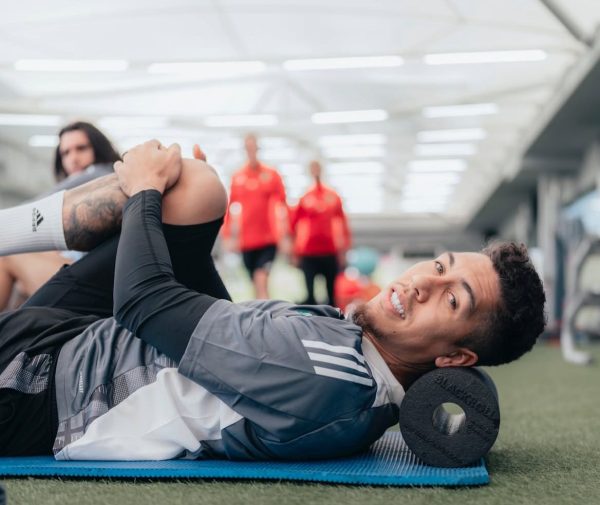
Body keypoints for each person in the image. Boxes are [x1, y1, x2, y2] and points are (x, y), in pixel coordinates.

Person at [0, 140, 546, 461]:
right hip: (80, 345)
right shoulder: (357, 357)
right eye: (439, 265)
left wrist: (143, 189)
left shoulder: (333, 372)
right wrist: (193, 242)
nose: (423, 282)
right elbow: (219, 340)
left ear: (455, 359)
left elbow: (144, 305)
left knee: (174, 186)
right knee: (198, 191)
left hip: (47, 384)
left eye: (451, 301)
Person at [0, 121, 121, 311]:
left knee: (8, 256)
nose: (73, 158)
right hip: (86, 274)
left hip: (97, 284)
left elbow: (33, 209)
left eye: (81, 148)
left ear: (98, 148)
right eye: (66, 153)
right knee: (21, 275)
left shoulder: (103, 174)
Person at [221, 134, 289, 299]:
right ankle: (261, 315)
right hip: (247, 241)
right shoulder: (238, 177)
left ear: (258, 148)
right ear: (245, 149)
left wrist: (287, 235)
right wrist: (228, 235)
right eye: (247, 147)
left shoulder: (271, 175)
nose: (251, 150)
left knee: (261, 280)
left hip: (268, 240)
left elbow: (283, 205)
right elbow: (230, 208)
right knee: (255, 283)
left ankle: (267, 319)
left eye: (253, 146)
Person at [291, 160, 351, 306]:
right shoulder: (304, 197)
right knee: (309, 295)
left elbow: (342, 224)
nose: (315, 171)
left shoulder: (333, 196)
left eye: (317, 168)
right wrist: (295, 251)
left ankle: (332, 323)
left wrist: (343, 251)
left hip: (329, 252)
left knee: (331, 295)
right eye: (312, 168)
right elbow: (294, 225)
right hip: (309, 253)